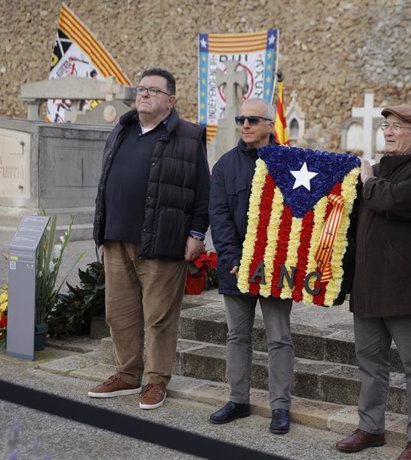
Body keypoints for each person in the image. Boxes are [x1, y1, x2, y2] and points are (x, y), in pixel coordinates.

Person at [89, 67, 210, 410]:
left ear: (170, 101)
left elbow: (203, 191)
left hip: (162, 241)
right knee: (119, 313)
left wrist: (197, 234)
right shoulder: (122, 131)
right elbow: (104, 184)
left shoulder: (188, 136)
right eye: (141, 89)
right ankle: (127, 374)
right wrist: (100, 231)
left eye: (153, 91)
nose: (143, 94)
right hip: (116, 239)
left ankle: (156, 381)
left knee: (158, 317)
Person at [335, 104, 411, 460]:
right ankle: (370, 428)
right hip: (367, 286)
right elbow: (350, 228)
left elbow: (394, 201)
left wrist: (367, 182)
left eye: (399, 126)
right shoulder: (374, 172)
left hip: (405, 288)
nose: (390, 131)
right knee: (369, 362)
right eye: (387, 125)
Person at [208, 98, 294, 435]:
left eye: (253, 120)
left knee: (279, 337)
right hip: (236, 269)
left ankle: (280, 406)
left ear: (270, 125)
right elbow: (219, 215)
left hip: (274, 268)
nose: (245, 125)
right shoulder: (225, 166)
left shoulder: (291, 163)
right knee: (237, 336)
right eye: (241, 119)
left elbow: (297, 217)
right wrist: (231, 259)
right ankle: (238, 400)